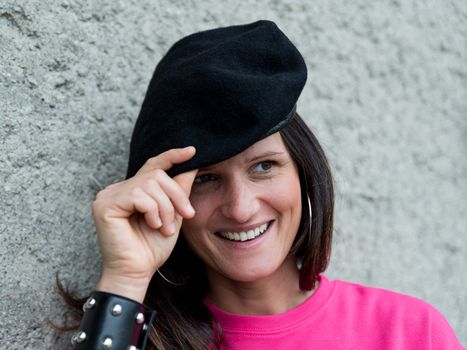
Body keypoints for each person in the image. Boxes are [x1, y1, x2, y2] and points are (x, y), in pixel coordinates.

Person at [63, 20, 464, 349]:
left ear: (305, 172)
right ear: (165, 199)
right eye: (205, 179)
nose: (241, 207)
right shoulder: (142, 339)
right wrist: (126, 278)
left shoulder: (410, 333)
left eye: (264, 167)